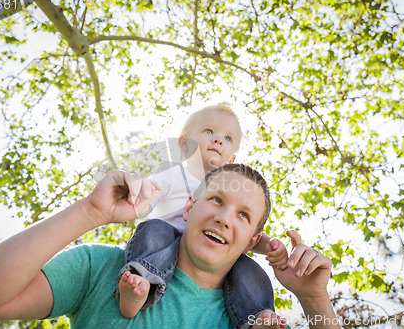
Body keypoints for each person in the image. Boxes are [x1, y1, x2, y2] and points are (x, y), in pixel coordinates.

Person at [0, 164, 340, 329]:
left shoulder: (253, 320)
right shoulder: (103, 268)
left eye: (243, 215)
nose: (225, 218)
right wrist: (90, 212)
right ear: (189, 208)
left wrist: (316, 301)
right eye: (216, 201)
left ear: (252, 242)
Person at [116, 103, 287, 329]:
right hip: (165, 244)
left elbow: (245, 234)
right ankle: (141, 282)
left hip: (213, 246)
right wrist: (136, 197)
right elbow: (149, 195)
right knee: (153, 229)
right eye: (209, 132)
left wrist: (271, 248)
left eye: (227, 139)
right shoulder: (173, 173)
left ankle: (254, 318)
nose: (217, 140)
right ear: (184, 144)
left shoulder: (232, 187)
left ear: (232, 158)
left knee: (246, 268)